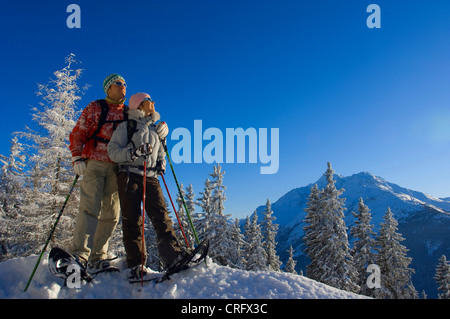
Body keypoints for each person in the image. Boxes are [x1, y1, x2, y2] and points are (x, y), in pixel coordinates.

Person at [107, 92, 188, 279]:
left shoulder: (155, 129)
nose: (153, 103)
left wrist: (162, 164)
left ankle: (173, 257)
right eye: (148, 101)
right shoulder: (127, 127)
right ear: (139, 105)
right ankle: (136, 265)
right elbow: (113, 152)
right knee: (132, 220)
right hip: (129, 174)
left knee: (161, 216)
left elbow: (161, 153)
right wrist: (133, 153)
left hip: (151, 177)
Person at [68, 74, 128, 269]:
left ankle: (99, 256)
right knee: (89, 208)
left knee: (112, 213)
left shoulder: (129, 112)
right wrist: (77, 156)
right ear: (108, 88)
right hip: (94, 162)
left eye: (125, 84)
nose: (123, 87)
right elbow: (79, 131)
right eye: (118, 84)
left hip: (117, 167)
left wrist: (161, 125)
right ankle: (80, 255)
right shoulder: (95, 107)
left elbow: (146, 126)